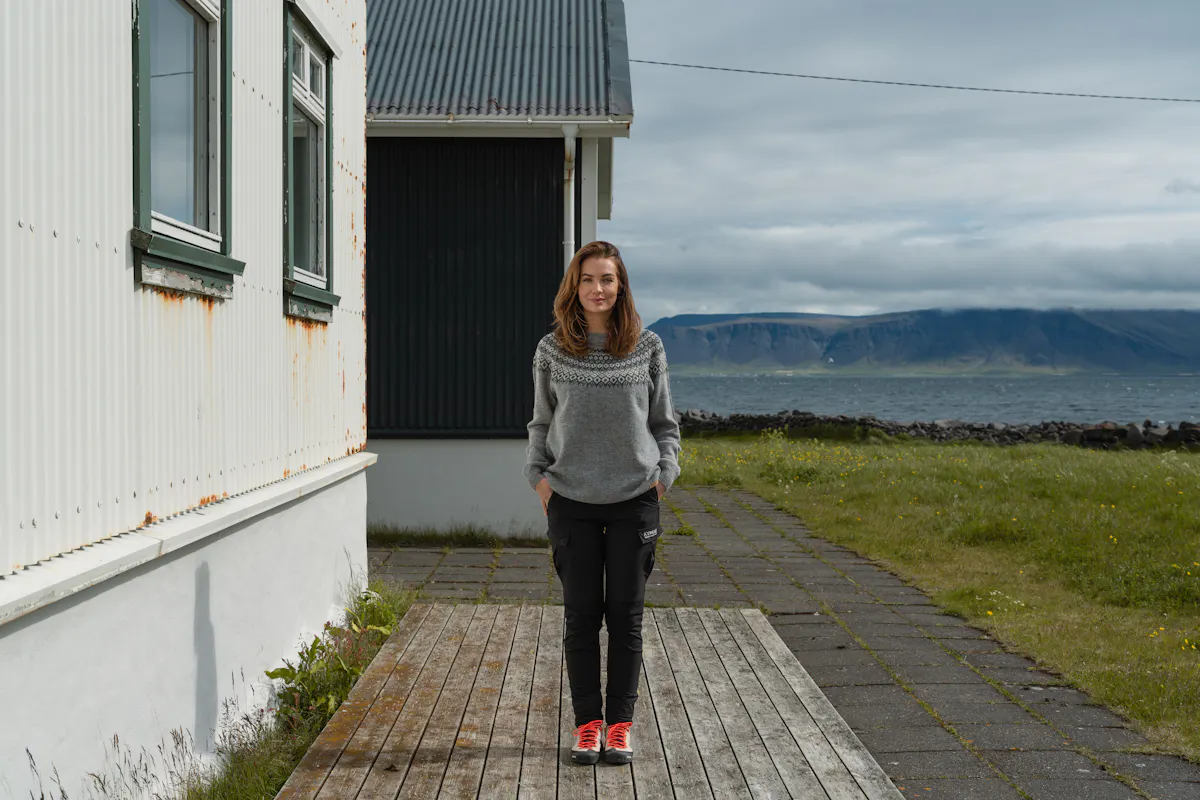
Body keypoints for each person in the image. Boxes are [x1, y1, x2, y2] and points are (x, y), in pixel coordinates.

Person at [524, 240, 682, 766]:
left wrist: (664, 476)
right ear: (575, 286)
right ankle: (587, 725)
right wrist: (539, 479)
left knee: (626, 618)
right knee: (581, 616)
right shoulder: (552, 350)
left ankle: (621, 726)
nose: (598, 289)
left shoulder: (648, 347)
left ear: (621, 286)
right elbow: (541, 423)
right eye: (588, 279)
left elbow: (664, 423)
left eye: (608, 279)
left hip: (635, 500)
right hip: (570, 500)